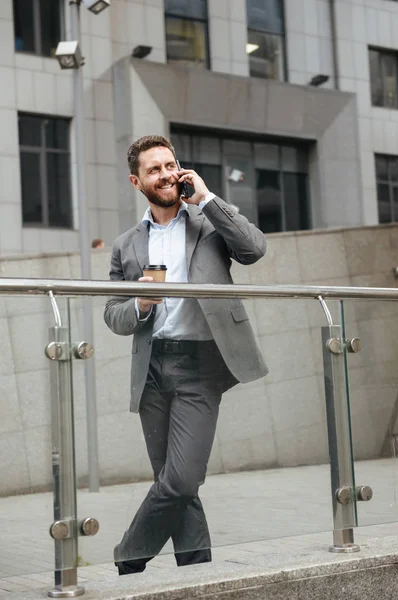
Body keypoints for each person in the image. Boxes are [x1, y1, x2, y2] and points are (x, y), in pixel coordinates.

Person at [104, 135, 268, 576]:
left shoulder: (208, 224)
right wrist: (138, 304)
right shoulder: (126, 246)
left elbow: (254, 249)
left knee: (180, 478)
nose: (165, 174)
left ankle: (128, 556)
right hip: (153, 369)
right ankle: (197, 574)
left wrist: (208, 197)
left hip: (200, 367)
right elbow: (112, 316)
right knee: (177, 487)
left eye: (170, 164)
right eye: (154, 169)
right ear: (136, 180)